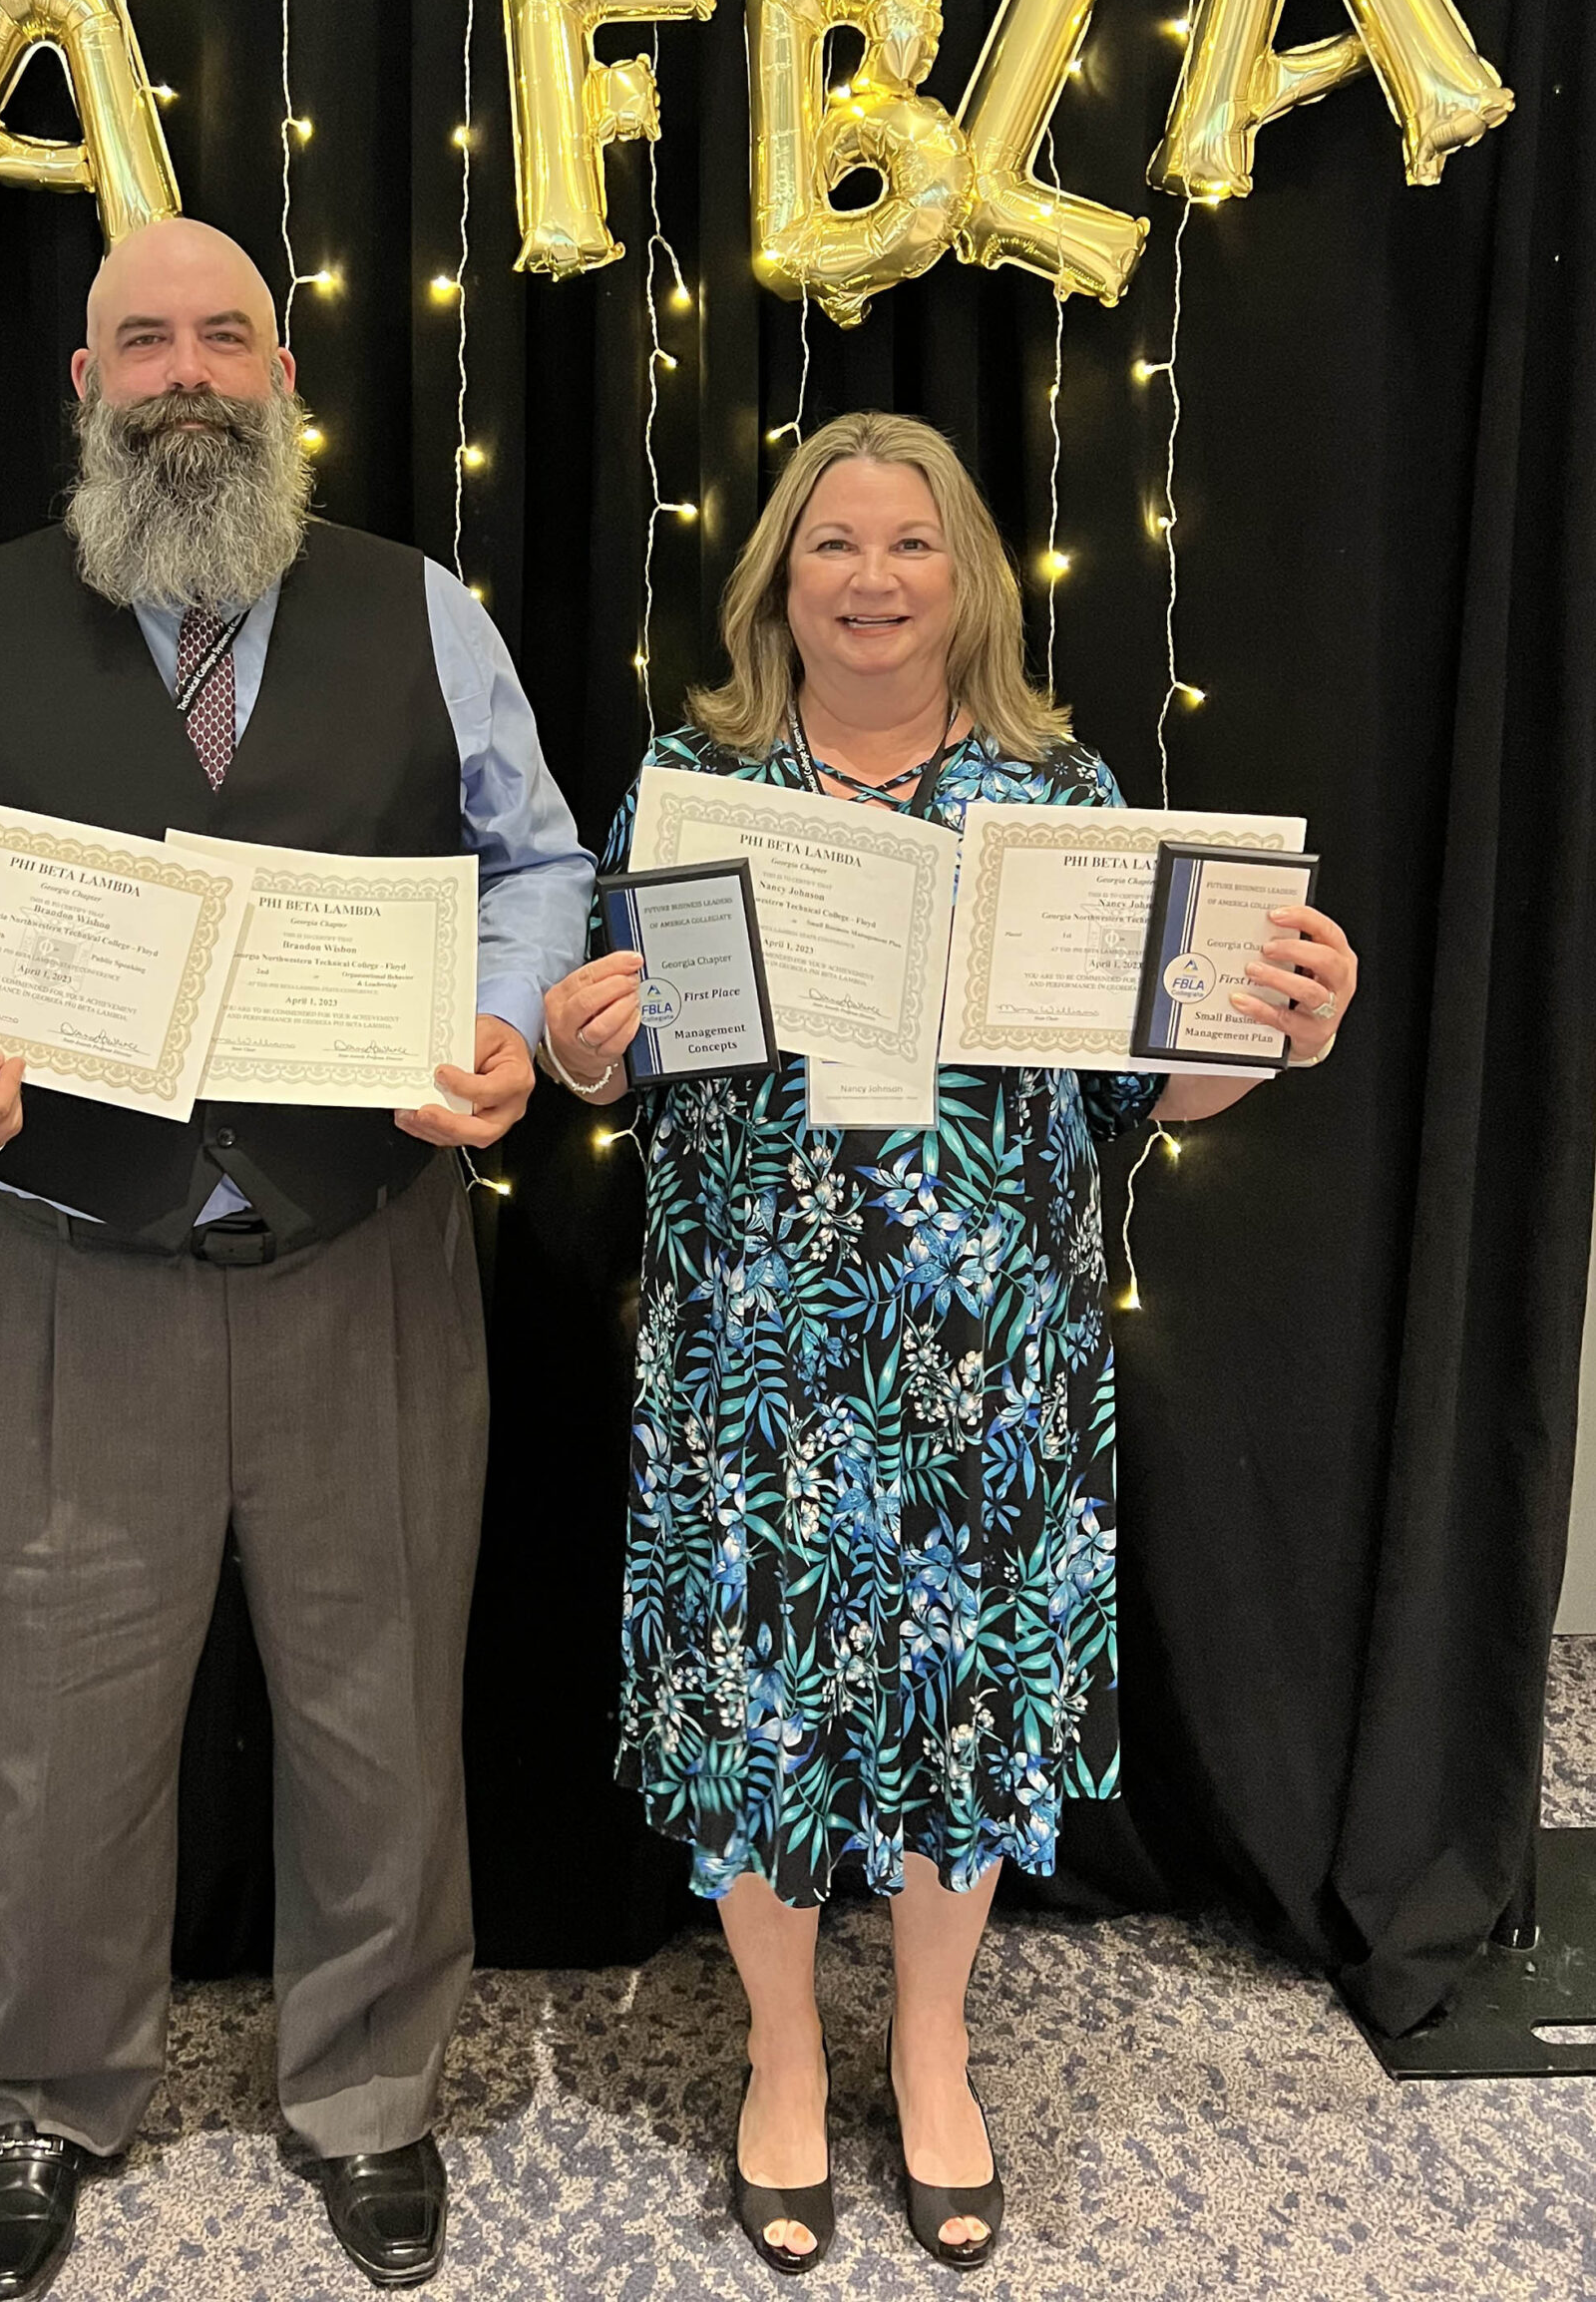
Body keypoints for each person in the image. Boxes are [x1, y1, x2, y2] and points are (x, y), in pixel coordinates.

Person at [0, 217, 593, 2301]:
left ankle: (372, 2095)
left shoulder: (425, 613)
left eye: (226, 333)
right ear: (84, 385)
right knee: (52, 1720)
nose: (187, 369)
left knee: (381, 1705)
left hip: (369, 1258)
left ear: (287, 376)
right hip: (63, 1267)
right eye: (144, 338)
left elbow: (537, 860)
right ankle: (44, 2091)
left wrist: (505, 1020)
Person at [541, 411, 1359, 2277]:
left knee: (955, 1707)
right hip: (751, 1347)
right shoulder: (688, 783)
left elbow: (1161, 1087)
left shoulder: (1060, 803)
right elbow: (626, 1063)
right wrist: (592, 1052)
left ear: (966, 579)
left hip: (988, 1358)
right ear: (779, 582)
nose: (874, 577)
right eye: (833, 543)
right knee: (755, 1709)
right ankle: (770, 2053)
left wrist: (1279, 1030)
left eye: (912, 544)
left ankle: (926, 2043)